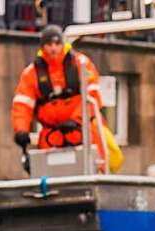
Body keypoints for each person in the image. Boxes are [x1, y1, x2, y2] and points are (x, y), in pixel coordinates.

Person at [11, 25, 106, 166]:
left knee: (95, 165)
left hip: (82, 132)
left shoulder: (81, 63)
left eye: (57, 43)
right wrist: (21, 130)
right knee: (47, 176)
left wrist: (77, 119)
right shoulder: (32, 73)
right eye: (49, 44)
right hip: (51, 136)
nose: (53, 48)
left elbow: (93, 95)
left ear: (63, 44)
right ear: (43, 47)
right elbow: (22, 104)